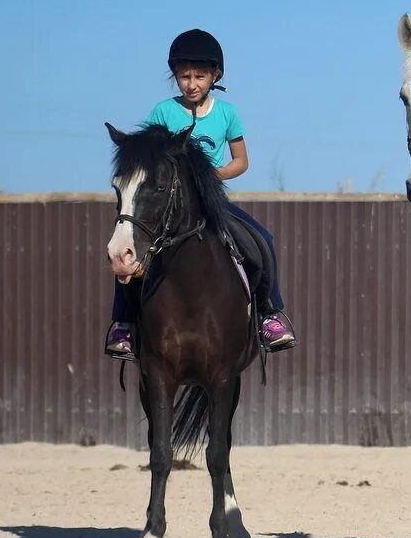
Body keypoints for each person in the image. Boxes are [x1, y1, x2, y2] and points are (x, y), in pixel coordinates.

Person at [104, 29, 297, 360]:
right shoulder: (163, 112)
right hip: (170, 209)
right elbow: (145, 157)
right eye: (183, 76)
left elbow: (242, 162)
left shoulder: (227, 114)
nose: (191, 83)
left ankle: (269, 314)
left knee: (263, 238)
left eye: (199, 76)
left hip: (212, 202)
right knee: (131, 250)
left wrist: (209, 177)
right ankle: (122, 323)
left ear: (214, 76)